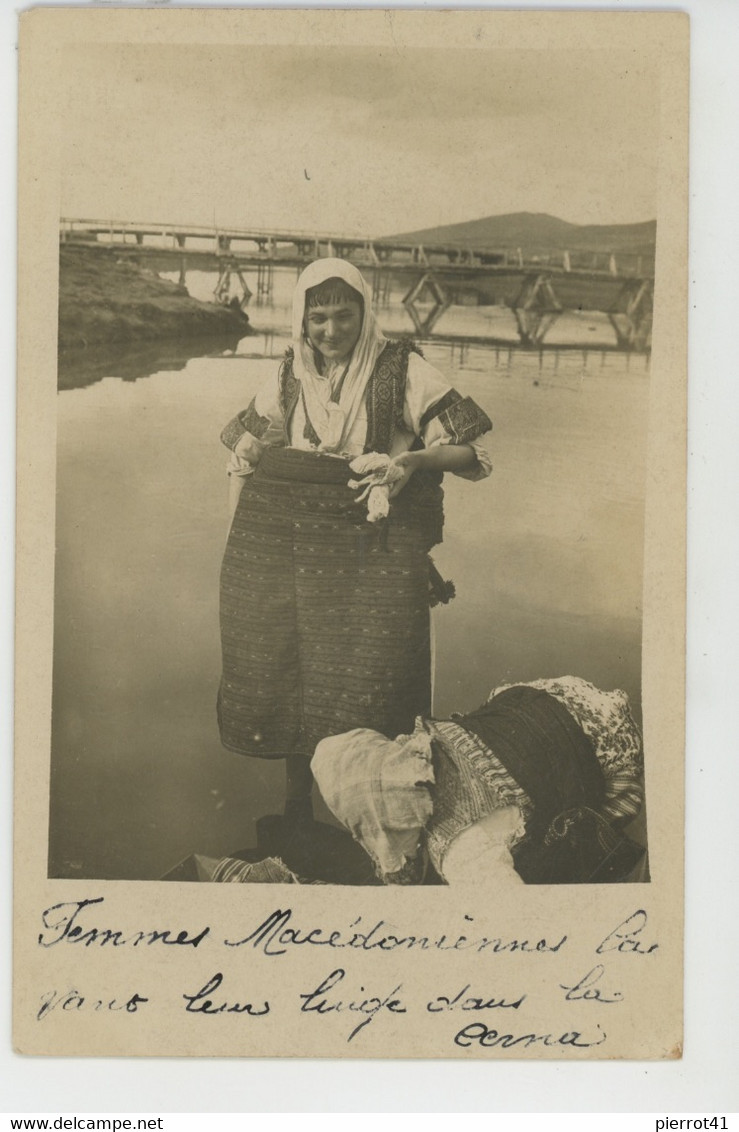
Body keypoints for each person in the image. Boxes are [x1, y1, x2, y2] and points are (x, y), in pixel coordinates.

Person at [217, 258, 492, 825]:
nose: (331, 331)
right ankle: (297, 805)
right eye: (318, 318)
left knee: (379, 672)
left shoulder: (403, 367)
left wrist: (411, 459)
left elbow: (472, 453)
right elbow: (242, 444)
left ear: (366, 313)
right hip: (293, 550)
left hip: (375, 548)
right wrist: (252, 470)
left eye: (345, 316)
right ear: (302, 319)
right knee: (291, 664)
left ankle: (387, 808)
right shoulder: (289, 372)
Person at [312, 675, 647, 886]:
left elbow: (510, 918)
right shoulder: (423, 742)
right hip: (560, 699)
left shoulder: (459, 848)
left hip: (606, 752)